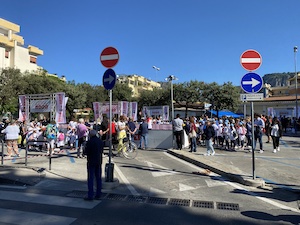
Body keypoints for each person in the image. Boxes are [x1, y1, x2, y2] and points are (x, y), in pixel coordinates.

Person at [83, 130, 104, 201]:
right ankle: (98, 193)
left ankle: (90, 195)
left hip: (91, 161)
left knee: (91, 178)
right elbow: (102, 150)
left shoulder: (89, 142)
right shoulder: (100, 141)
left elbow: (86, 152)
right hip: (98, 161)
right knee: (98, 178)